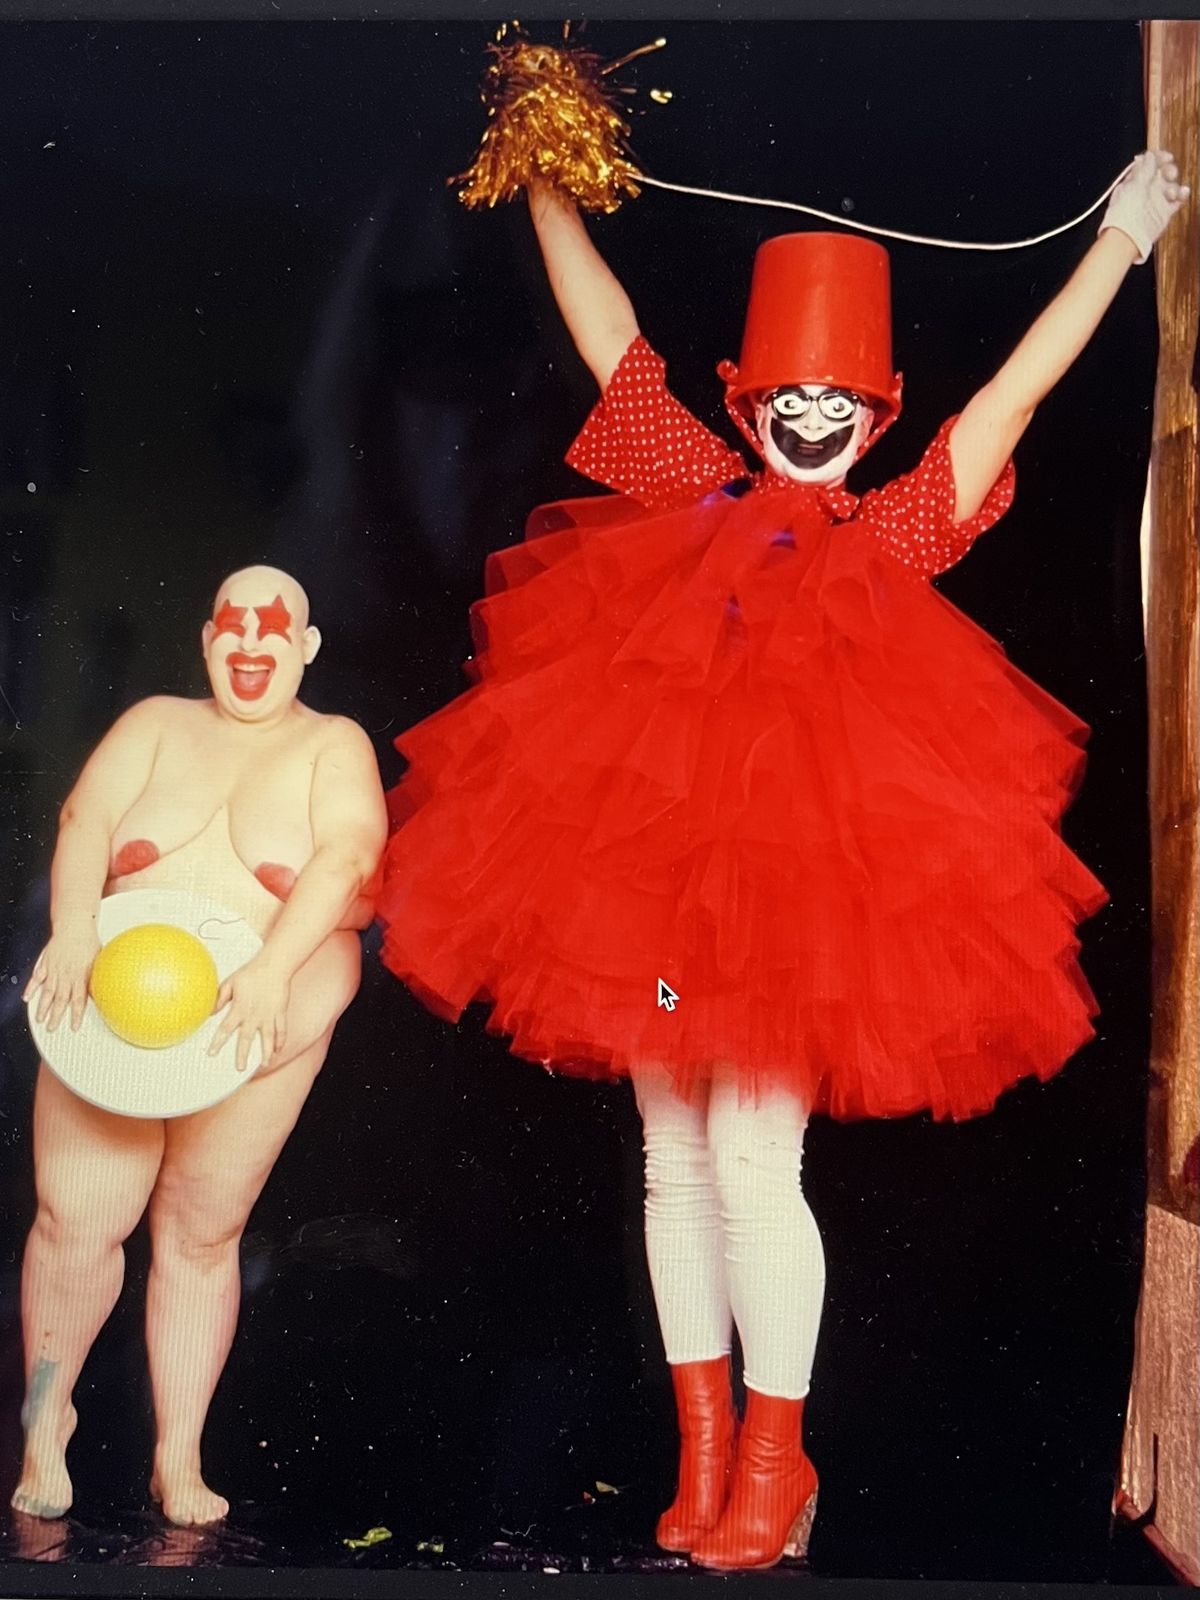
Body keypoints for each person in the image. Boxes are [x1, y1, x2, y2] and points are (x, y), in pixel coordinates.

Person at [376, 151, 1189, 1569]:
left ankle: (774, 1456)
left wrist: (1119, 245)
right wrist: (543, 178)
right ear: (750, 403)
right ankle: (700, 1461)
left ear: (873, 421)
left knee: (754, 1158)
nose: (812, 422)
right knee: (672, 1160)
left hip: (798, 919)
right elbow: (609, 336)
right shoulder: (687, 479)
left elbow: (1012, 396)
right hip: (651, 921)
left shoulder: (900, 529)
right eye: (789, 401)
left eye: (842, 406)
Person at [15, 565, 387, 1527]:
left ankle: (177, 1459)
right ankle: (44, 1423)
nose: (252, 644)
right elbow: (84, 818)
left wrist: (267, 976)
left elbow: (350, 855)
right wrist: (72, 926)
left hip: (260, 1020)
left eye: (276, 630)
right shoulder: (153, 725)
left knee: (200, 1234)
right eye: (233, 627)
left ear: (305, 649)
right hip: (113, 1016)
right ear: (206, 639)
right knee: (75, 1225)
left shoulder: (332, 746)